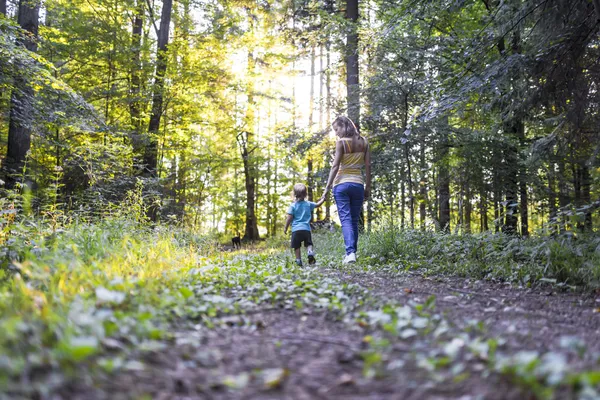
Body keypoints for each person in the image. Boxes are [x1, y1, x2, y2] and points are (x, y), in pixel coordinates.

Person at [320, 116, 371, 264]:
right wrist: (368, 187)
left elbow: (335, 166)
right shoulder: (365, 142)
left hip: (341, 185)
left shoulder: (341, 143)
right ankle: (352, 253)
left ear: (344, 126)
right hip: (358, 185)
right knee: (354, 220)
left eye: (337, 129)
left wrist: (327, 187)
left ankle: (350, 253)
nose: (336, 133)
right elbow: (368, 166)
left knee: (346, 220)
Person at [284, 183, 326, 266]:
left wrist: (285, 228)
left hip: (296, 230)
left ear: (294, 194)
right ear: (306, 194)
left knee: (297, 246)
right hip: (306, 229)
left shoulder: (292, 206)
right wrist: (322, 199)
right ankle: (310, 252)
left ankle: (298, 260)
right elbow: (318, 205)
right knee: (309, 243)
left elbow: (289, 218)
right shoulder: (308, 204)